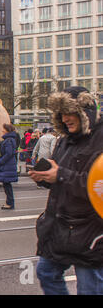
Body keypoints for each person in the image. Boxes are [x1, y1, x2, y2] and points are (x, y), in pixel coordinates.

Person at [29, 86, 103, 295]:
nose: (65, 118)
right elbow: (58, 174)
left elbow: (98, 186)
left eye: (70, 112)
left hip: (91, 231)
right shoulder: (64, 140)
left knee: (90, 289)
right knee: (46, 273)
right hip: (60, 227)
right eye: (61, 114)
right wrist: (45, 178)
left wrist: (60, 175)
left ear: (84, 112)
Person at [0, 123, 18, 210]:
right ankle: (9, 202)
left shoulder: (8, 140)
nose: (2, 130)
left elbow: (8, 153)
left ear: (7, 131)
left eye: (3, 129)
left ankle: (10, 203)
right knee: (6, 185)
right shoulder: (10, 140)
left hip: (7, 165)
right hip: (8, 165)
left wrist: (1, 161)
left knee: (7, 185)